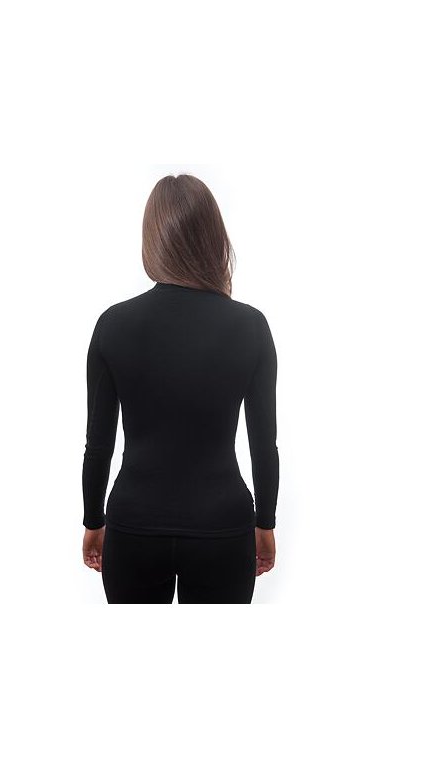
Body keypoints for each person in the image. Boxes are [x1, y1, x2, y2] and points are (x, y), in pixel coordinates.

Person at [80, 174, 279, 603]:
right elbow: (264, 445)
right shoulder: (251, 326)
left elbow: (98, 445)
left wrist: (93, 520)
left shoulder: (113, 325)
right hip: (222, 528)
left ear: (153, 238)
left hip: (134, 526)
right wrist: (266, 523)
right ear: (214, 237)